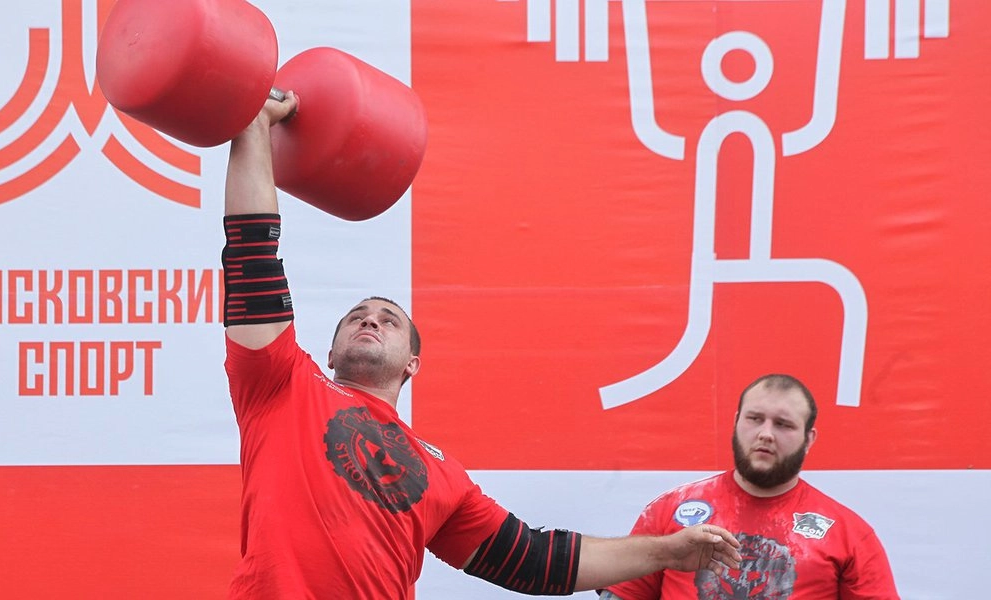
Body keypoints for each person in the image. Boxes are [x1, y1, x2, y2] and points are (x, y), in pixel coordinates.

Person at [219, 92, 742, 599]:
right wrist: (253, 126)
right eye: (356, 317)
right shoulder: (281, 383)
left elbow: (535, 561)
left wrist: (664, 551)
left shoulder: (441, 473)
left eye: (389, 320)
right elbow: (252, 257)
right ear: (330, 355)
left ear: (412, 364)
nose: (370, 320)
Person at [599, 374, 899, 600]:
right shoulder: (668, 511)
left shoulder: (849, 535)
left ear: (809, 439)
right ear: (736, 422)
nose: (766, 434)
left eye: (783, 424)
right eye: (755, 419)